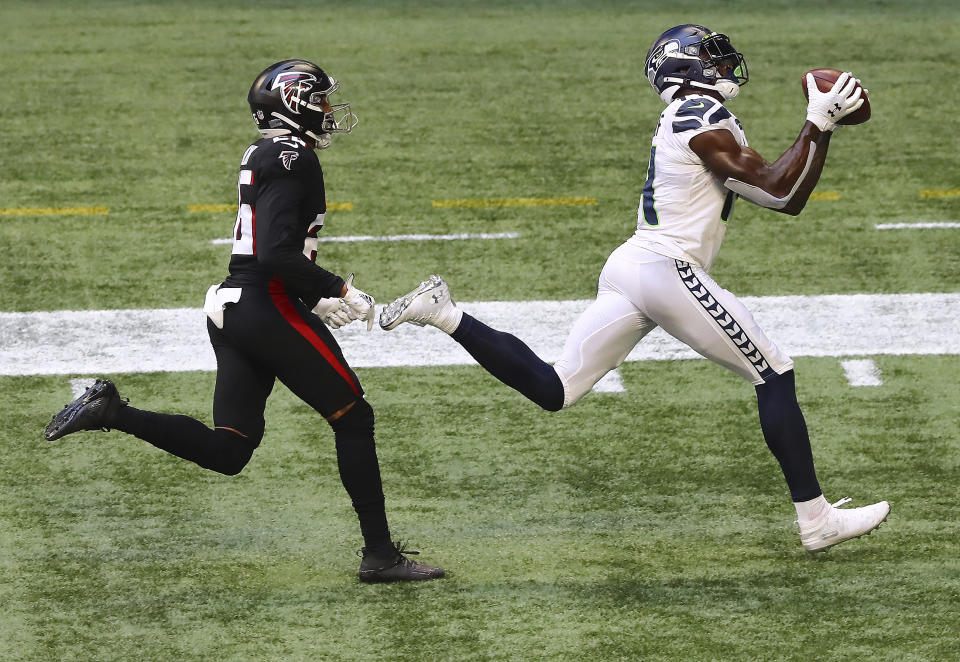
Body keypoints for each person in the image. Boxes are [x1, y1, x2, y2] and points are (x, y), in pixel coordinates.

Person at [379, 25, 889, 553]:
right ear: (687, 67)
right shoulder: (698, 111)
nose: (724, 63)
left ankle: (444, 314)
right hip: (666, 268)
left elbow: (779, 184)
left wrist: (818, 129)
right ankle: (816, 520)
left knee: (556, 389)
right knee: (774, 373)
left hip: (634, 265)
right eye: (710, 56)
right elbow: (780, 193)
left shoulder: (690, 114)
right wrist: (818, 122)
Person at [44, 59, 444, 583]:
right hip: (265, 304)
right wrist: (334, 289)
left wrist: (312, 295)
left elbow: (266, 249)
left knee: (230, 449)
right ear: (294, 103)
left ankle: (113, 412)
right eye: (319, 99)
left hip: (232, 305)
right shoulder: (294, 155)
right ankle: (380, 556)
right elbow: (277, 254)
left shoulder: (266, 150)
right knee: (354, 416)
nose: (327, 110)